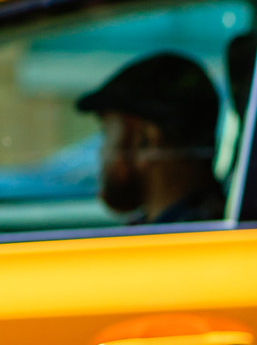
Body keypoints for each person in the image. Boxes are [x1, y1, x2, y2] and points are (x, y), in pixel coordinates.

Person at [73, 52, 226, 225]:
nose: (101, 152)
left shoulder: (190, 241)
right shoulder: (198, 225)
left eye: (106, 132)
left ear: (146, 140)